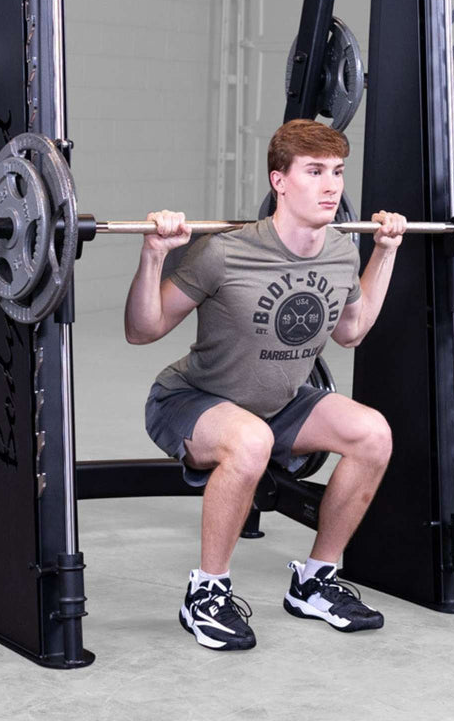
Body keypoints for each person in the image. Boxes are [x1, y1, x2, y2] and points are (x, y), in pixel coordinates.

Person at [124, 118, 407, 651]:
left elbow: (352, 331)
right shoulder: (225, 252)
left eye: (339, 172)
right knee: (249, 439)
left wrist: (385, 252)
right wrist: (153, 254)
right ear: (280, 180)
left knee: (373, 434)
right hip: (192, 399)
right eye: (315, 171)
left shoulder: (343, 251)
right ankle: (206, 594)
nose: (331, 186)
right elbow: (144, 330)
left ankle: (315, 582)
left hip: (278, 404)